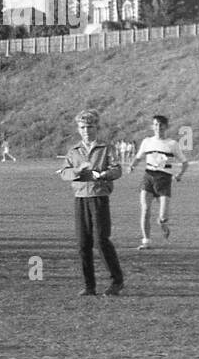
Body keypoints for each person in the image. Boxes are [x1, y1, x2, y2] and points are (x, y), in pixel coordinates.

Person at [58, 109, 124, 296]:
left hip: (99, 197)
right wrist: (77, 172)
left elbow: (117, 170)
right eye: (83, 127)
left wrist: (104, 174)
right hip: (80, 199)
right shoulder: (74, 151)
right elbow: (64, 173)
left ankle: (116, 280)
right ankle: (89, 285)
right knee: (83, 243)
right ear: (79, 129)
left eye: (90, 126)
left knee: (101, 240)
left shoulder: (106, 149)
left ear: (97, 127)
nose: (86, 130)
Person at [128, 114, 189, 249]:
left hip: (164, 180)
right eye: (155, 124)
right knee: (145, 209)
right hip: (148, 177)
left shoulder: (172, 144)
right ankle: (146, 241)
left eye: (161, 125)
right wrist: (132, 165)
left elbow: (185, 163)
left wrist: (179, 174)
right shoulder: (147, 142)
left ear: (166, 127)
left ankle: (163, 224)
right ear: (152, 126)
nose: (158, 127)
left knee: (162, 217)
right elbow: (138, 157)